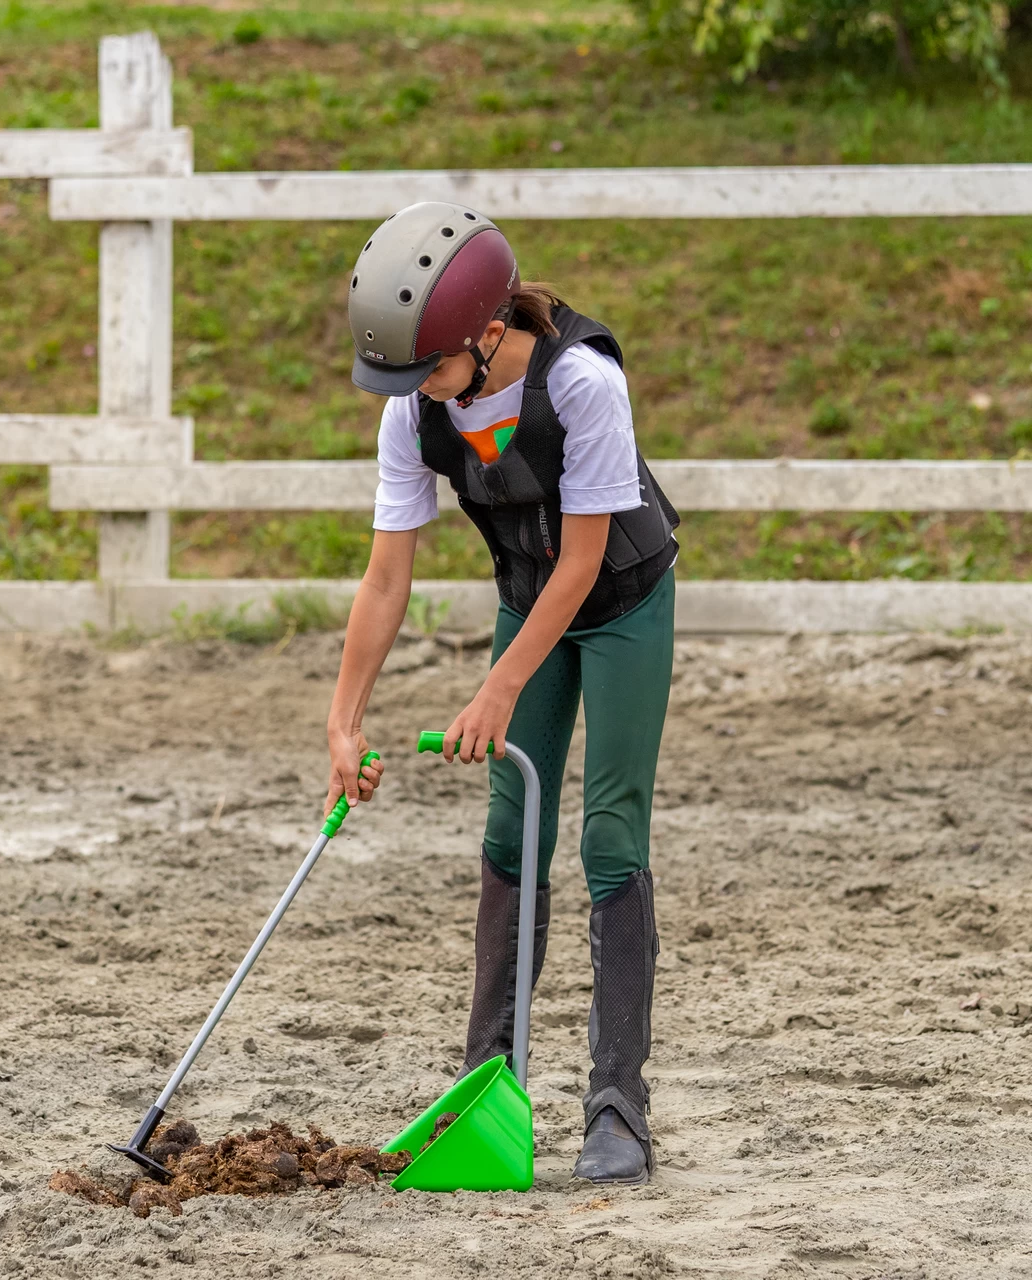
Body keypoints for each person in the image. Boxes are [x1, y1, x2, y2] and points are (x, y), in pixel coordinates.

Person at [323, 202, 679, 1184]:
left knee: (608, 828)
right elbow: (385, 576)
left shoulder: (581, 382)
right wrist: (342, 718)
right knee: (508, 823)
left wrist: (496, 687)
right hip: (528, 602)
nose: (413, 393)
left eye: (427, 368)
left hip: (616, 606)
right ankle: (487, 1081)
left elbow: (583, 561)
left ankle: (617, 1104)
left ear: (485, 335)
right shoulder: (416, 408)